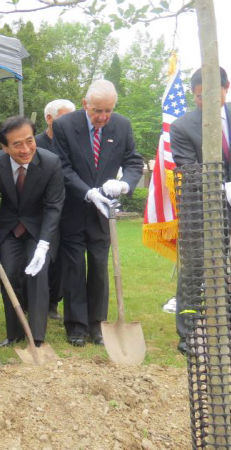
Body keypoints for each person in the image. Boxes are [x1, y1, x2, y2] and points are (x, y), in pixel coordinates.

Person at [170, 66, 231, 355]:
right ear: (193, 95)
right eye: (199, 97)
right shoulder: (182, 126)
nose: (206, 102)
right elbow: (189, 167)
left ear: (226, 87)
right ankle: (189, 335)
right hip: (200, 212)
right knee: (195, 273)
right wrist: (223, 187)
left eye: (212, 95)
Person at [52, 80, 143, 347]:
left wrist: (125, 183)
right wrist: (88, 192)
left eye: (108, 111)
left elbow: (133, 161)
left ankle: (98, 326)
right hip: (73, 208)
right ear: (85, 104)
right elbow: (63, 168)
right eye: (97, 111)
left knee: (100, 268)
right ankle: (77, 327)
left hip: (104, 214)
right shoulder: (65, 126)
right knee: (74, 268)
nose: (102, 117)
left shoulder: (122, 126)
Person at [0, 116, 65, 348]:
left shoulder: (51, 163)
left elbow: (53, 206)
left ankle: (36, 337)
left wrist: (44, 244)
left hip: (40, 230)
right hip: (10, 229)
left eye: (30, 141)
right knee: (9, 275)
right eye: (17, 144)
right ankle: (14, 332)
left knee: (38, 276)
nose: (26, 149)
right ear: (4, 147)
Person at [36, 99, 76, 321]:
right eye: (65, 117)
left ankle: (53, 302)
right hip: (41, 212)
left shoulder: (74, 144)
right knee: (43, 257)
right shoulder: (36, 145)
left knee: (62, 260)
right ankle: (32, 300)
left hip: (68, 211)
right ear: (49, 119)